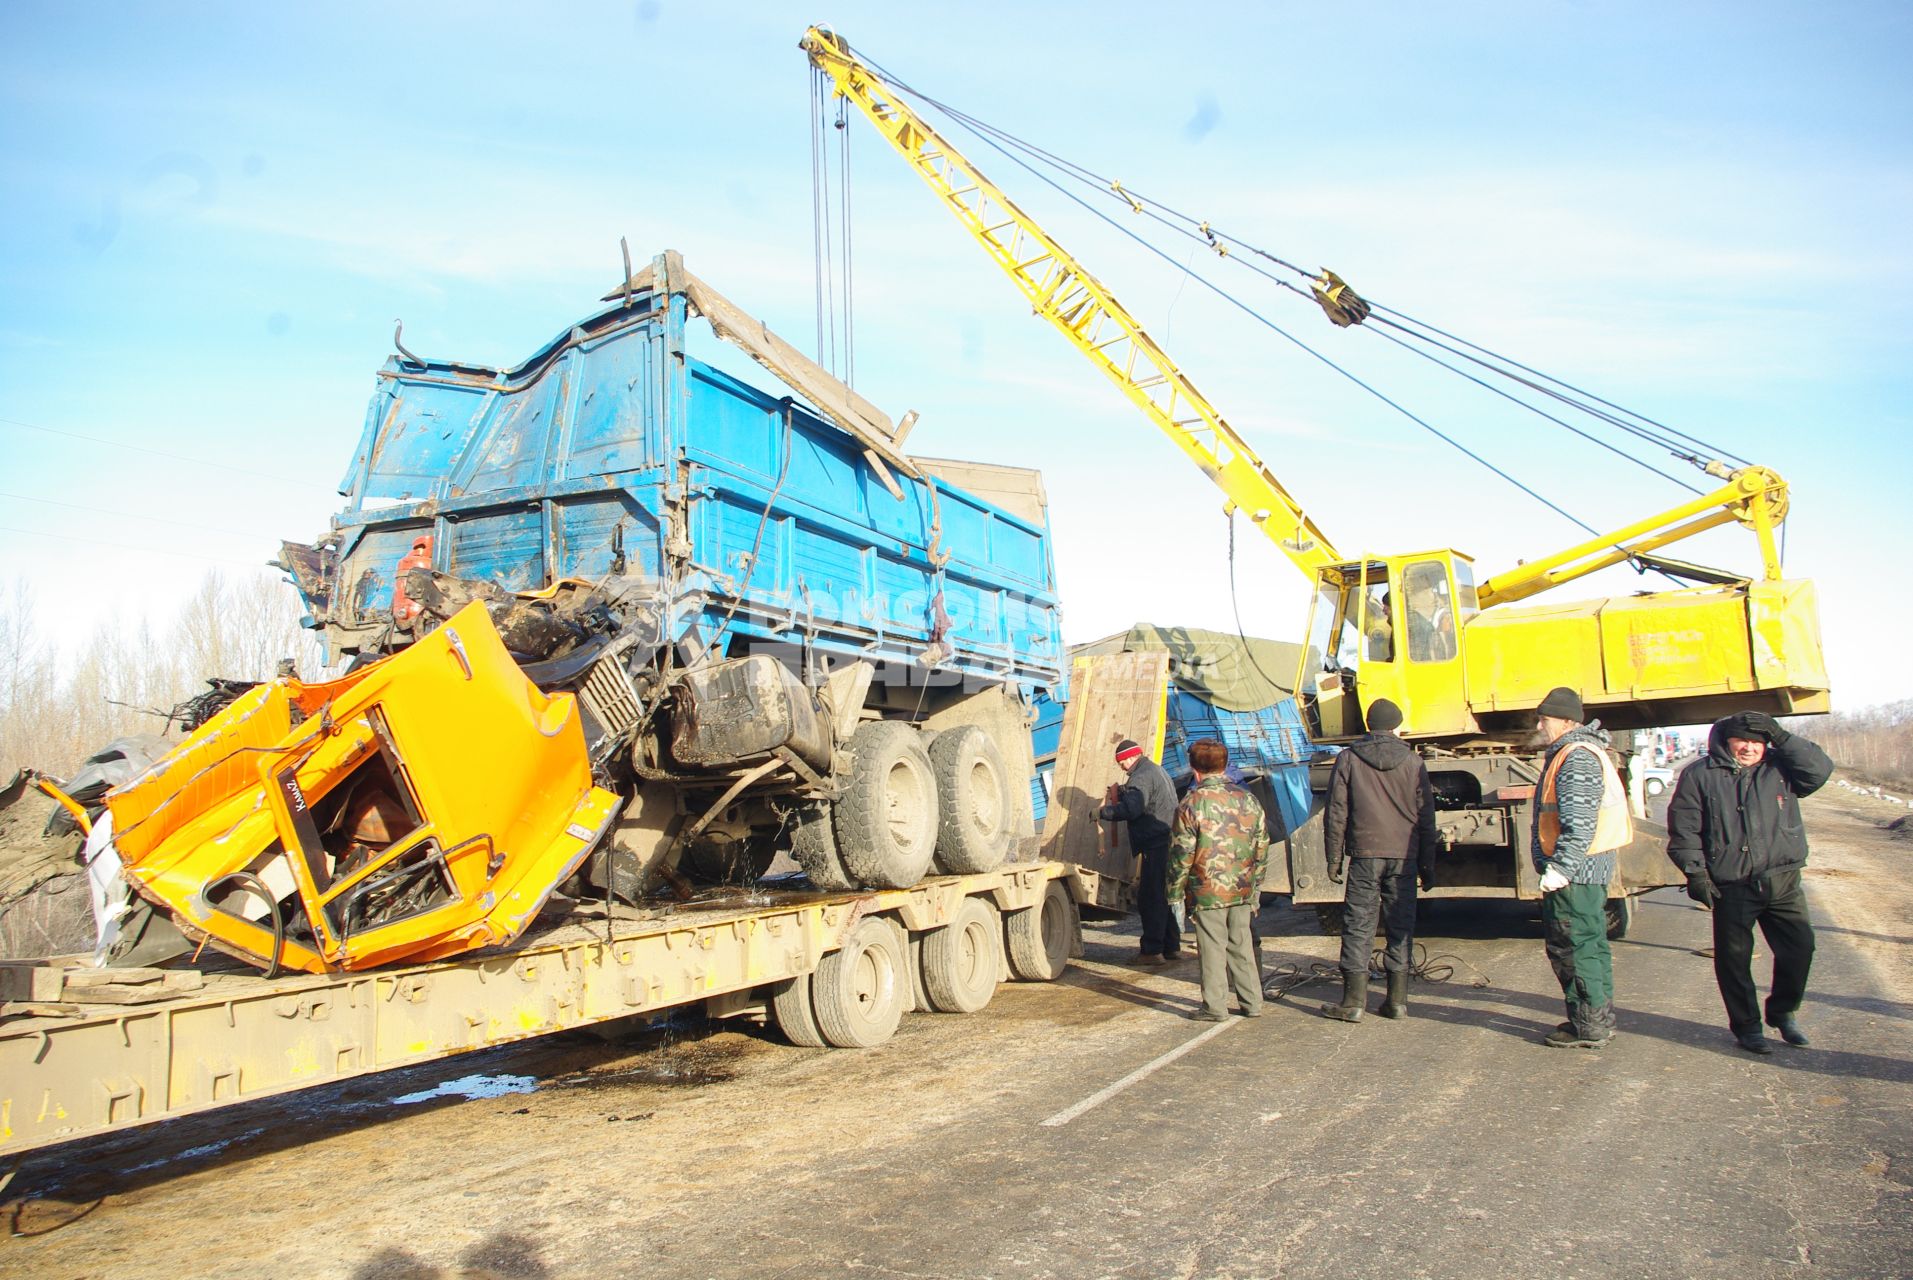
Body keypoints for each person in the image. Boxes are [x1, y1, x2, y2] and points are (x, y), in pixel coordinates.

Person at [1665, 711, 1833, 1054]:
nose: (1749, 747)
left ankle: (1783, 1013)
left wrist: (1782, 738)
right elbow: (1684, 829)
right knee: (1734, 960)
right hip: (1733, 884)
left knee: (1800, 948)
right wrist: (1695, 871)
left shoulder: (1781, 768)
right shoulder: (1700, 775)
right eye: (1742, 740)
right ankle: (1747, 1027)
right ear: (1725, 742)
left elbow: (1820, 771)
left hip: (1782, 880)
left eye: (1757, 741)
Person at [1318, 698, 1438, 1023]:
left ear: (1369, 725)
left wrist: (1333, 858)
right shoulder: (1413, 762)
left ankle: (1353, 1002)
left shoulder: (1348, 759)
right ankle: (1397, 1002)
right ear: (1396, 725)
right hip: (1404, 856)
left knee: (1358, 925)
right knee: (1401, 925)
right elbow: (1426, 817)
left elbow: (1337, 812)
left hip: (1364, 854)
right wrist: (1428, 864)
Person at [1530, 686, 1631, 1049]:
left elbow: (1581, 821)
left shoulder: (1576, 757)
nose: (1540, 724)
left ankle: (1588, 1026)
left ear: (1567, 721)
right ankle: (1596, 1019)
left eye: (1546, 718)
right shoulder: (1578, 752)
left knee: (1574, 946)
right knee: (1589, 943)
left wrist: (1562, 868)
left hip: (1576, 873)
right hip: (1585, 870)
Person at [1166, 738, 1269, 1021]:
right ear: (1224, 765)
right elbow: (1262, 844)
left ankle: (1215, 1007)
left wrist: (1174, 894)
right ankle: (1252, 1002)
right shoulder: (1248, 799)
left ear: (1194, 768)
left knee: (1212, 947)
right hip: (1242, 886)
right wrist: (1256, 886)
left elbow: (1181, 855)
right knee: (1241, 943)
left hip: (1207, 889)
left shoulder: (1190, 804)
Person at [1100, 737, 1181, 965]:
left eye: (1122, 762)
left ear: (1131, 757)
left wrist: (1104, 812)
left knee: (1150, 899)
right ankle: (1171, 946)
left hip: (1155, 843)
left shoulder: (1141, 776)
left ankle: (1152, 951)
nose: (1121, 767)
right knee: (1162, 896)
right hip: (1166, 840)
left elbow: (1133, 809)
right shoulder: (1155, 770)